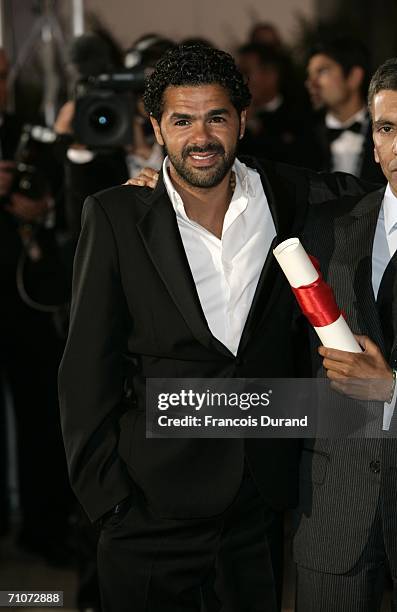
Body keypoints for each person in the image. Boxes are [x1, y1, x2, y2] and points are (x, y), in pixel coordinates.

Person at [59, 44, 370, 612]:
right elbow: (85, 371)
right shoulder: (116, 217)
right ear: (156, 126)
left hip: (257, 509)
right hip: (149, 509)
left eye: (216, 117)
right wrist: (110, 501)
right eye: (182, 120)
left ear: (242, 120)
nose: (201, 137)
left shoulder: (293, 195)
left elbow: (381, 202)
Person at [293, 56, 397, 612]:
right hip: (338, 512)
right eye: (387, 128)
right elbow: (227, 180)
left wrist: (393, 390)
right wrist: (154, 183)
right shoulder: (329, 224)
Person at [0, 47, 72, 563]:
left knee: (42, 413)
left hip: (23, 294)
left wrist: (36, 203)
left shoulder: (23, 131)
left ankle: (44, 529)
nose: (0, 83)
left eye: (3, 74)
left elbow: (51, 194)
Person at [306, 37, 385, 183]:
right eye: (310, 75)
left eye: (322, 72)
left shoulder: (386, 130)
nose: (311, 83)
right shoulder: (303, 136)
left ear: (354, 77)